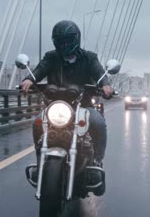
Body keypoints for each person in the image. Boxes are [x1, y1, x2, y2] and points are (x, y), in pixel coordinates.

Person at [20, 20, 113, 181]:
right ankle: (40, 163)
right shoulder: (51, 57)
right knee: (37, 124)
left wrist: (105, 84)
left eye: (68, 40)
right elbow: (40, 69)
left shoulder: (89, 57)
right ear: (55, 41)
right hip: (55, 106)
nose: (65, 44)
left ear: (76, 39)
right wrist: (29, 79)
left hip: (82, 106)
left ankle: (97, 161)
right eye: (61, 40)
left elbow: (99, 72)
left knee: (98, 123)